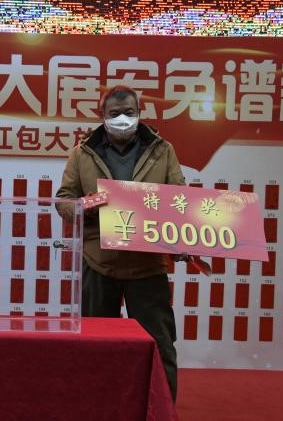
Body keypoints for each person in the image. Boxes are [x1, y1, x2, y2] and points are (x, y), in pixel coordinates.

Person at [56, 85, 185, 401]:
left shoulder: (162, 150)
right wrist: (88, 204)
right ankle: (97, 407)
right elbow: (63, 201)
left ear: (139, 113)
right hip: (99, 262)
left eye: (129, 112)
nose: (123, 119)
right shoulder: (82, 152)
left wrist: (185, 239)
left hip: (147, 264)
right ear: (102, 115)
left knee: (160, 346)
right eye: (115, 114)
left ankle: (162, 409)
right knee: (96, 346)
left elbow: (180, 199)